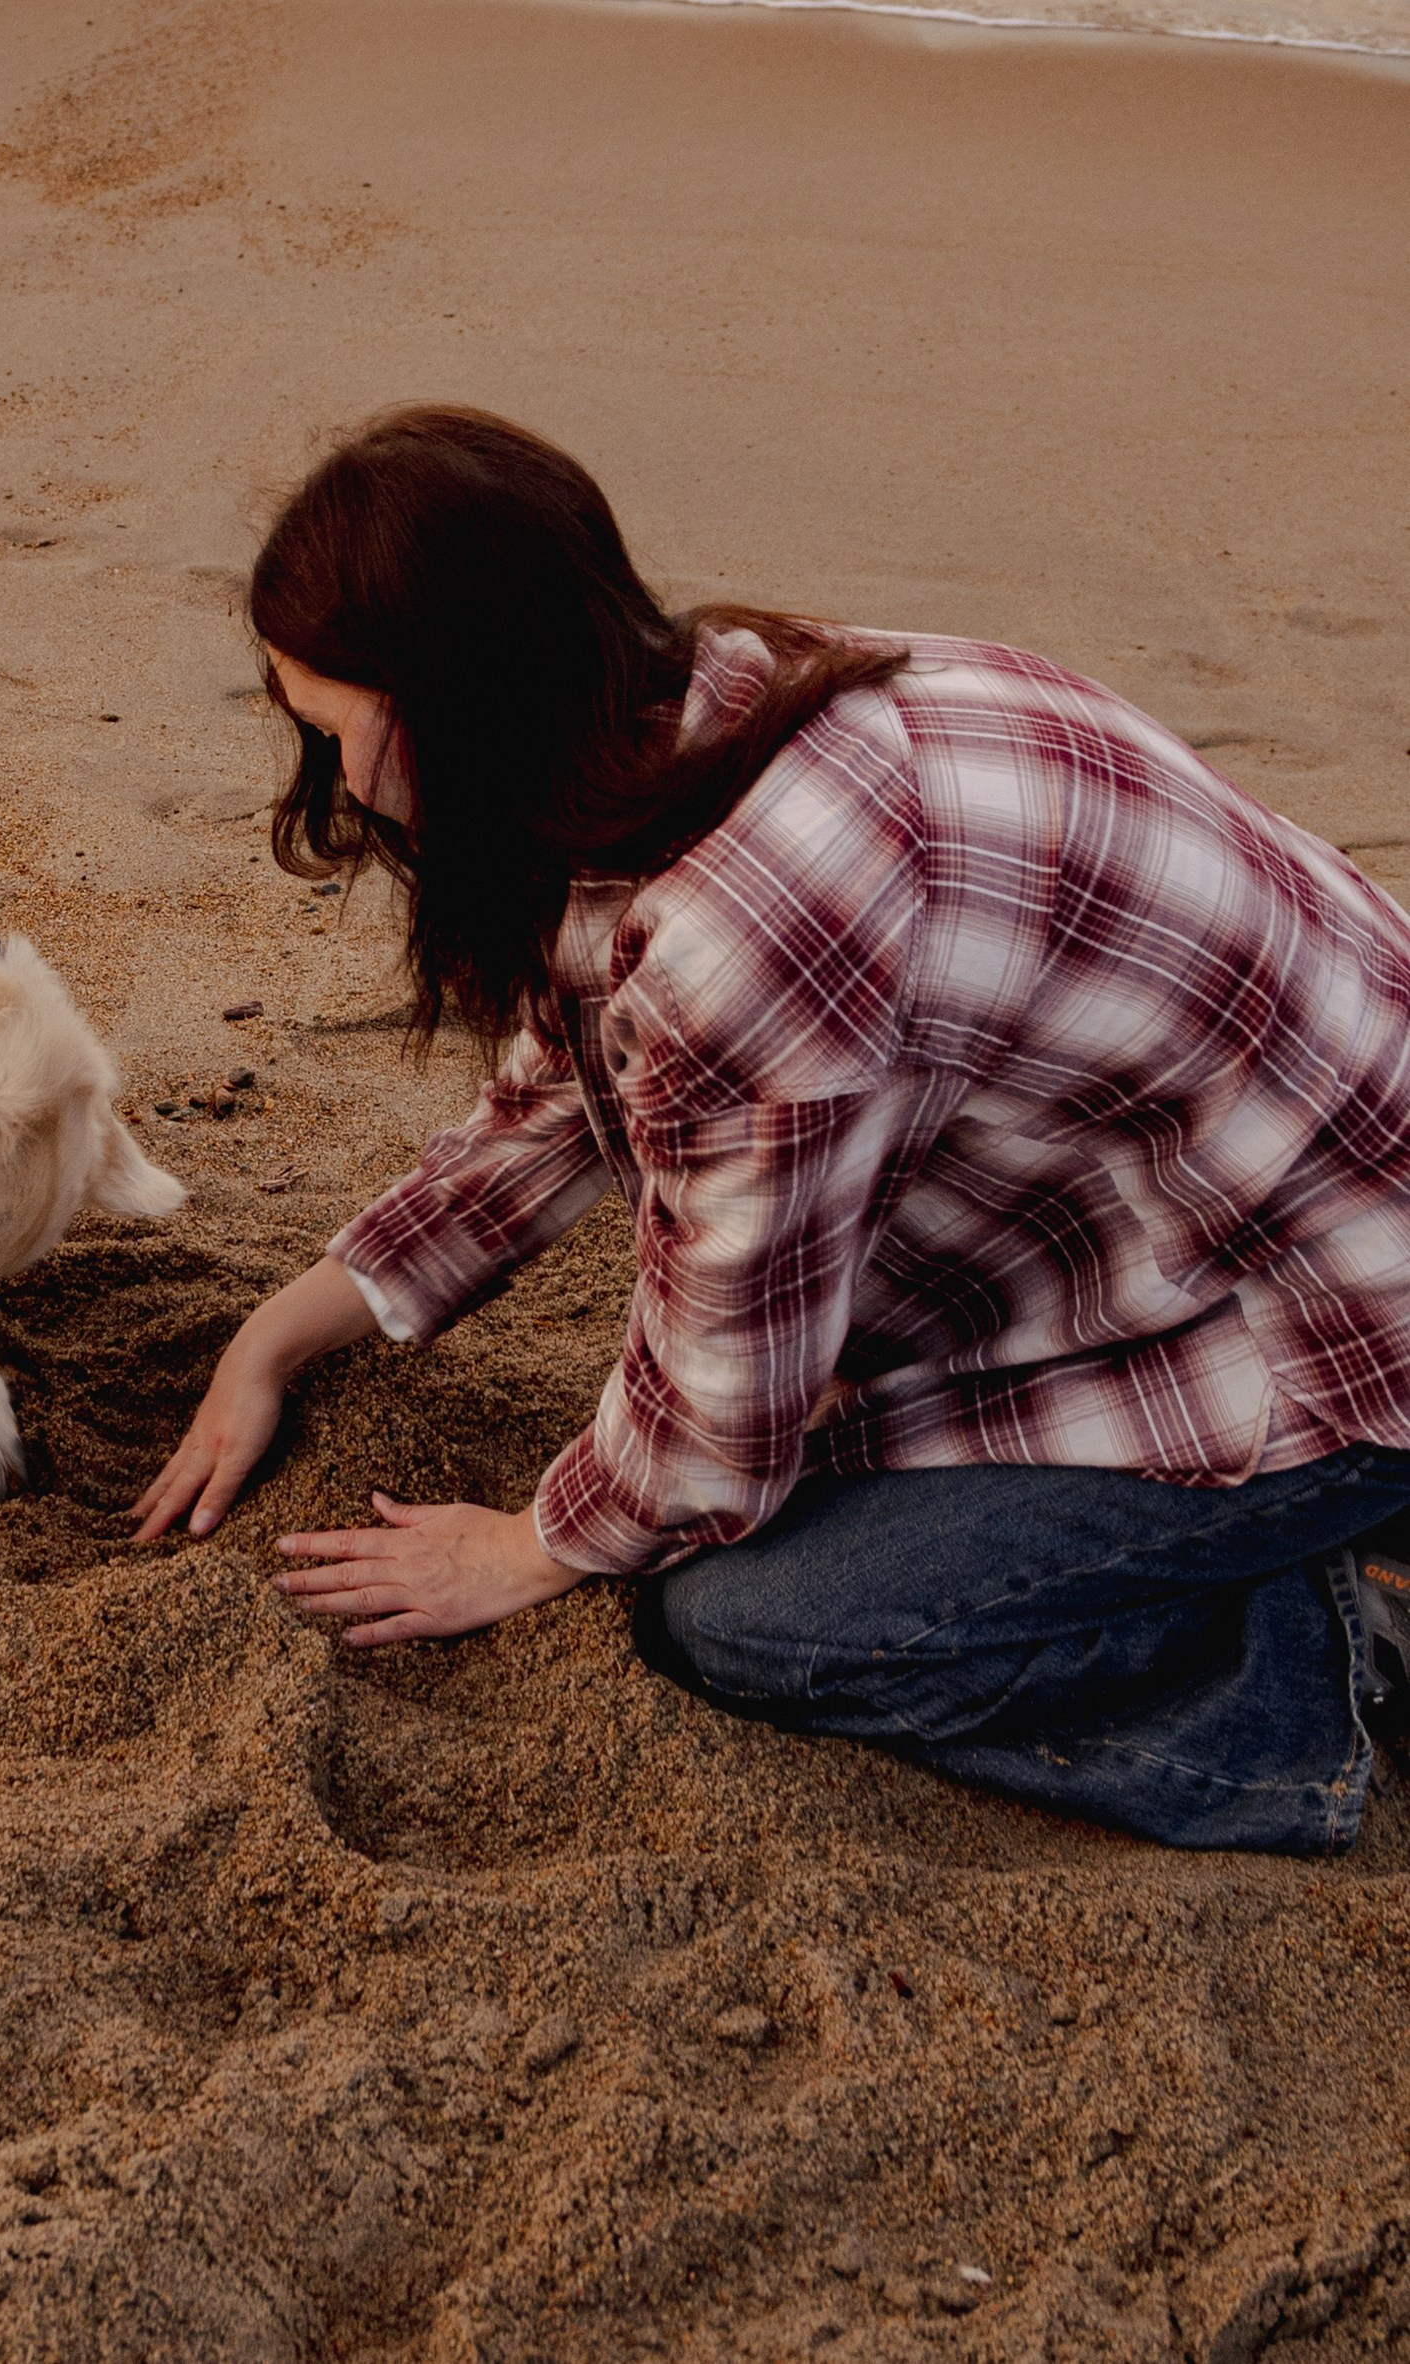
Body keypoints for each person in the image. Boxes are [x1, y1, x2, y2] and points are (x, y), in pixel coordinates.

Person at [132, 406, 1410, 1854]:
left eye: (339, 732)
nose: (343, 787)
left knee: (747, 1623)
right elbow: (565, 1091)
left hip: (1343, 1333)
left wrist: (521, 1546)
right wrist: (277, 1338)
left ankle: (1310, 1686)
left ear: (460, 706)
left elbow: (715, 1440)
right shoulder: (716, 701)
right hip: (1256, 1215)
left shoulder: (748, 929)